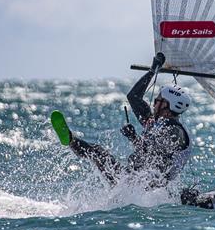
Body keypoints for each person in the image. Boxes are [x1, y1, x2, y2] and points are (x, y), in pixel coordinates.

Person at [51, 53, 192, 188]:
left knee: (99, 153)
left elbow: (155, 156)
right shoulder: (156, 123)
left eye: (158, 100)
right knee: (97, 152)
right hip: (130, 179)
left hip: (150, 187)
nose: (154, 103)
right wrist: (152, 70)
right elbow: (134, 97)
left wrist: (133, 138)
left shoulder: (175, 132)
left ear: (167, 106)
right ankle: (70, 140)